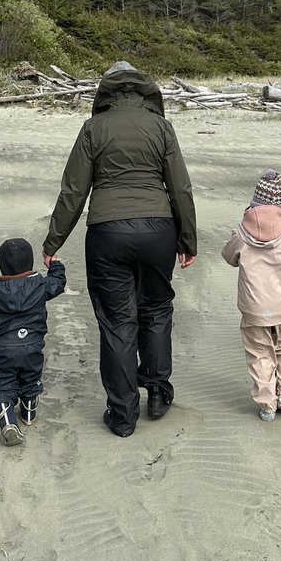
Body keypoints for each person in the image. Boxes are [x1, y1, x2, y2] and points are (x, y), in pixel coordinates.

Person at [42, 62, 197, 438]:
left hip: (107, 232)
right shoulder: (161, 126)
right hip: (158, 229)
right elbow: (180, 188)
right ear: (145, 90)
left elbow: (74, 190)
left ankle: (123, 413)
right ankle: (158, 392)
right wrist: (187, 239)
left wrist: (54, 241)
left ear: (106, 92)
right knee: (157, 310)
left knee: (117, 322)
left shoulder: (94, 127)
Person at [0, 237, 67, 445]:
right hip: (32, 346)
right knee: (30, 377)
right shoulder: (40, 285)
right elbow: (58, 283)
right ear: (29, 264)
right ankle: (28, 411)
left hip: (4, 350)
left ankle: (8, 421)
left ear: (2, 266)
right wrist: (55, 264)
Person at [222, 169, 281, 421]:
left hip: (254, 308)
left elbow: (229, 257)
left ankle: (266, 403)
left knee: (260, 353)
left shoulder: (241, 234)